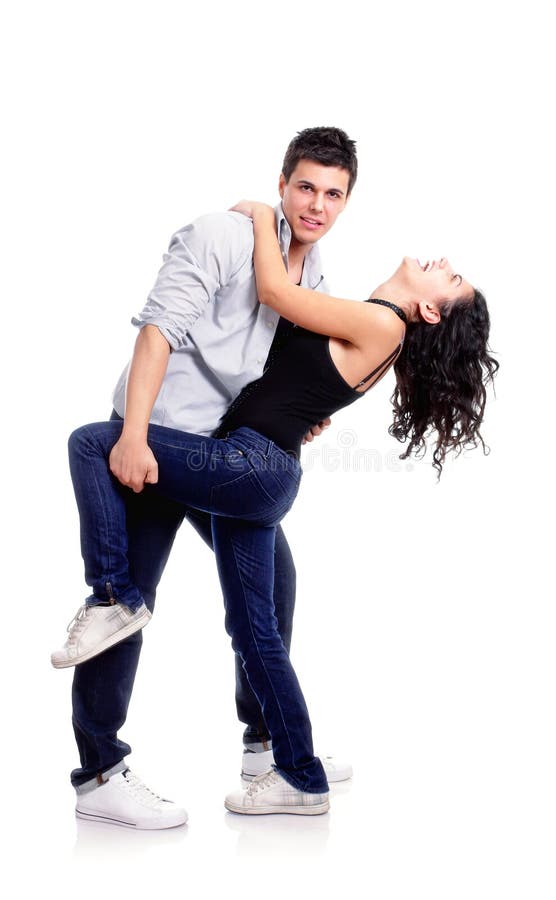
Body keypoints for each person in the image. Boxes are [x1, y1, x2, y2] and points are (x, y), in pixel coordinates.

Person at [54, 200, 498, 824]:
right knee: (258, 620)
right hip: (243, 462)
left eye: (450, 278)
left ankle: (110, 598)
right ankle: (290, 762)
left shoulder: (386, 325)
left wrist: (263, 216)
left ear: (429, 310)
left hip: (248, 466)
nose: (443, 264)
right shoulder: (370, 319)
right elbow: (290, 366)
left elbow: (273, 290)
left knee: (93, 442)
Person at [54, 127, 359, 829]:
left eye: (332, 194)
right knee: (123, 607)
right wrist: (132, 437)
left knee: (273, 586)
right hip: (158, 441)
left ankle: (266, 748)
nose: (316, 204)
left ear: (346, 202)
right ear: (283, 184)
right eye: (306, 186)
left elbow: (285, 372)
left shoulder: (313, 277)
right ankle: (99, 772)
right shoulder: (223, 235)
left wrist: (302, 418)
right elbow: (160, 330)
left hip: (221, 455)